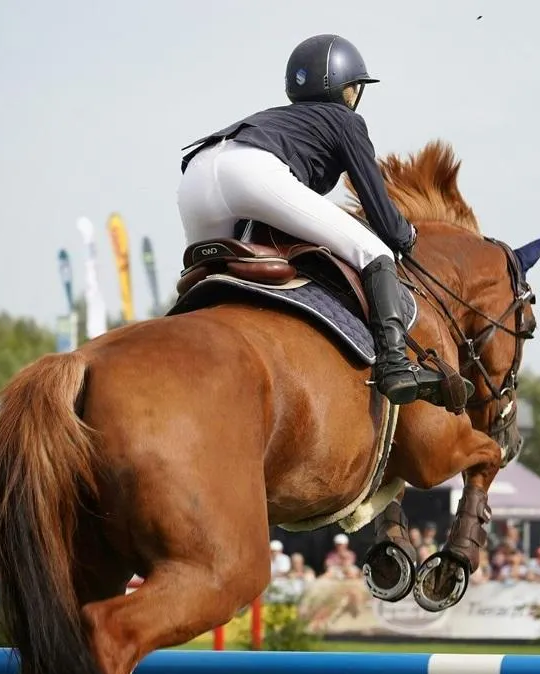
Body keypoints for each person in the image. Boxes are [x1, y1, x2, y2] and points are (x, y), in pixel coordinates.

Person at [176, 33, 446, 406]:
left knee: (211, 275)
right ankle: (395, 365)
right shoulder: (345, 120)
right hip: (251, 171)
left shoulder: (280, 117)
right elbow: (382, 214)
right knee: (373, 251)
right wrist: (406, 237)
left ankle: (175, 342)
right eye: (354, 88)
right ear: (343, 87)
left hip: (197, 175)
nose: (355, 96)